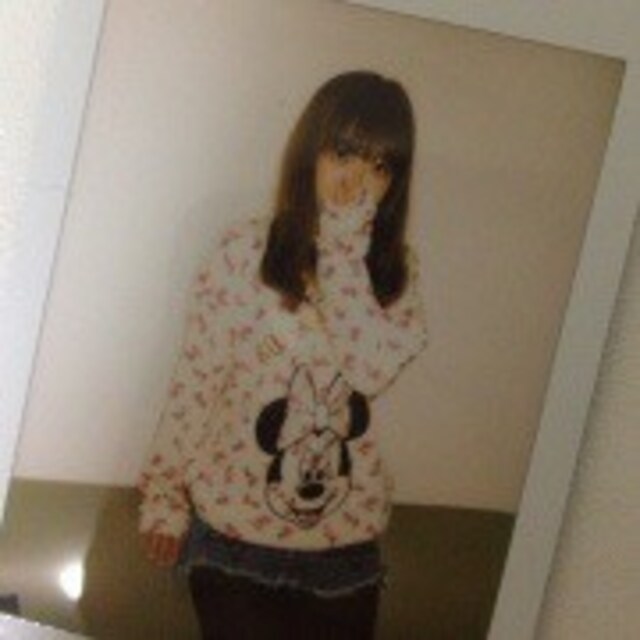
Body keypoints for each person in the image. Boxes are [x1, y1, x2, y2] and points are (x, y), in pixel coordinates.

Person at [137, 70, 428, 640]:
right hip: (231, 543)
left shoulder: (397, 272)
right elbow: (196, 380)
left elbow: (369, 369)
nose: (357, 180)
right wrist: (164, 496)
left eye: (380, 166)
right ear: (310, 152)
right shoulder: (242, 251)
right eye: (344, 154)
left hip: (345, 555)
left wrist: (343, 252)